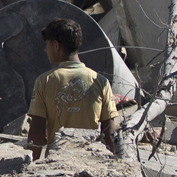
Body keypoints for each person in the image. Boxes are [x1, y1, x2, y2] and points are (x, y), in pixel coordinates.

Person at [26, 17, 118, 157]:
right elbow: (109, 131)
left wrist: (32, 163)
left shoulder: (45, 81)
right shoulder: (100, 81)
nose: (45, 49)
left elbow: (37, 131)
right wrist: (111, 161)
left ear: (56, 45)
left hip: (57, 161)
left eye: (47, 45)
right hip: (91, 160)